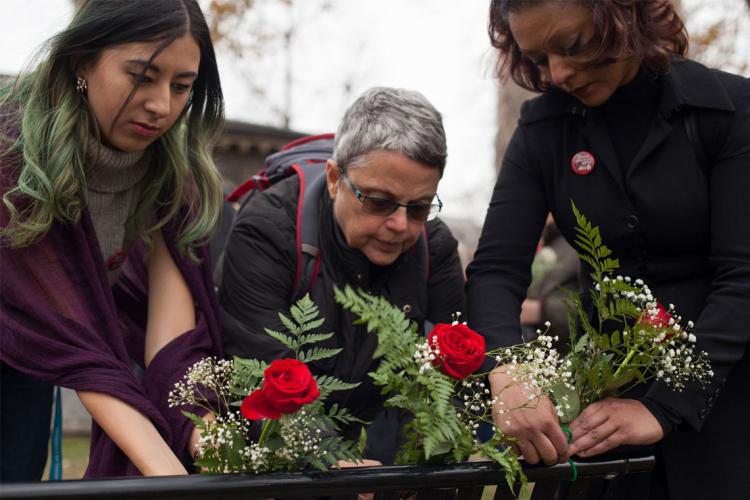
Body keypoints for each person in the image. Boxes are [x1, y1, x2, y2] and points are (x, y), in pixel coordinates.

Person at [466, 0, 750, 498]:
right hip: (605, 415)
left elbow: (743, 278)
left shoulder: (726, 110)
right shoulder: (543, 130)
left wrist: (664, 406)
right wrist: (507, 368)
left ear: (622, 15)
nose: (558, 73)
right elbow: (495, 269)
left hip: (724, 402)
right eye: (537, 59)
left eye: (571, 46)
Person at [0, 0, 224, 478]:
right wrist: (171, 480)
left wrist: (229, 450)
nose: (162, 105)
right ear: (82, 59)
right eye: (142, 76)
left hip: (35, 368)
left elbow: (173, 354)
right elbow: (80, 344)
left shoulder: (171, 182)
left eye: (181, 86)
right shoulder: (12, 159)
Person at [219, 87, 466, 464]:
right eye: (379, 202)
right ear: (335, 179)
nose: (399, 225)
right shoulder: (268, 231)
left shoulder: (436, 248)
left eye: (418, 208)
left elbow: (441, 395)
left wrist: (390, 477)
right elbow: (261, 379)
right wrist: (334, 465)